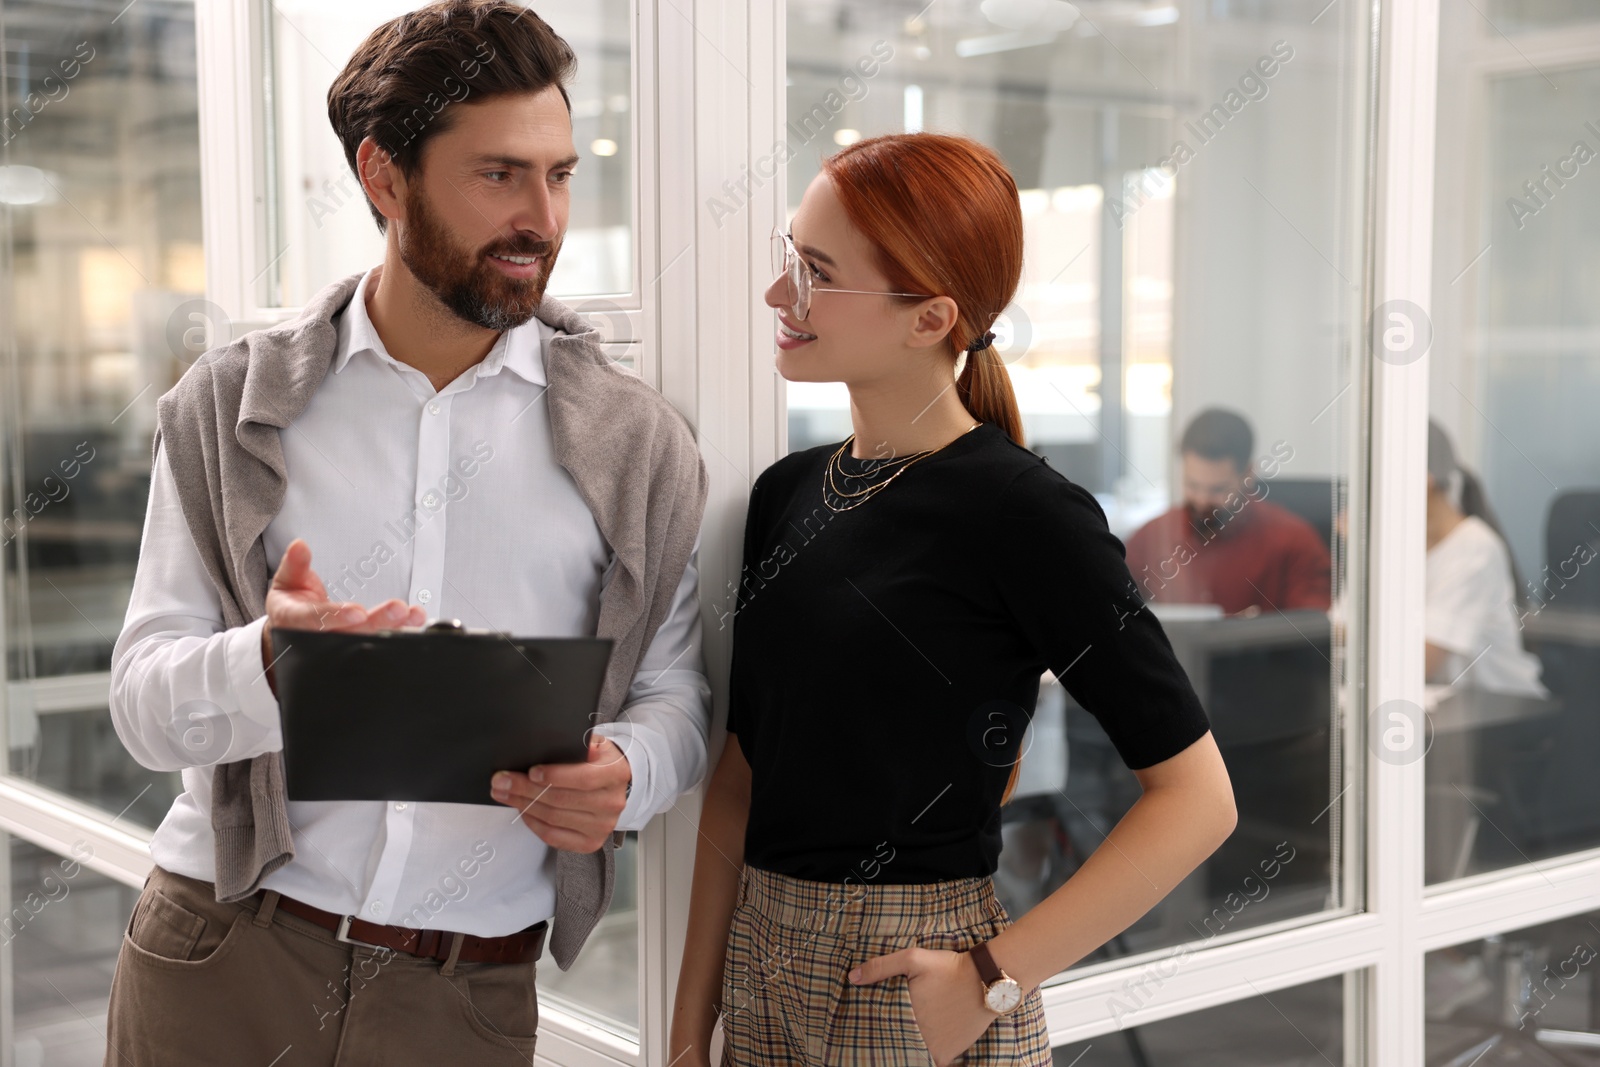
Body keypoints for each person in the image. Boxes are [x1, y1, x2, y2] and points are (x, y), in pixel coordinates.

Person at [105, 3, 709, 1063]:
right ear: (384, 176)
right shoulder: (230, 409)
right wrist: (269, 663)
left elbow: (678, 695)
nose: (543, 218)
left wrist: (626, 768)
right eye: (498, 175)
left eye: (560, 173)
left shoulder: (638, 444)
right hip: (220, 961)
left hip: (461, 1000)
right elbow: (145, 706)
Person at [669, 133, 1236, 1067]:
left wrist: (990, 979)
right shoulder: (784, 491)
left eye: (814, 274)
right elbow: (738, 781)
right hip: (761, 976)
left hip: (914, 982)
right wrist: (689, 1030)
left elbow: (1197, 799)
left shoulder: (1024, 511)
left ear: (929, 317)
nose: (780, 297)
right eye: (787, 262)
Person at [1124, 408, 1331, 614]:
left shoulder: (1293, 541)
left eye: (1218, 489)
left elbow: (1311, 630)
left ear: (1247, 474)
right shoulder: (1150, 539)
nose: (1202, 500)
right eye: (1192, 486)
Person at [1423, 420, 1546, 696]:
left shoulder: (1475, 549)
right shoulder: (1394, 550)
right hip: (1443, 710)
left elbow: (1422, 661)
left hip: (1503, 713)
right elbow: (1334, 632)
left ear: (1425, 482)